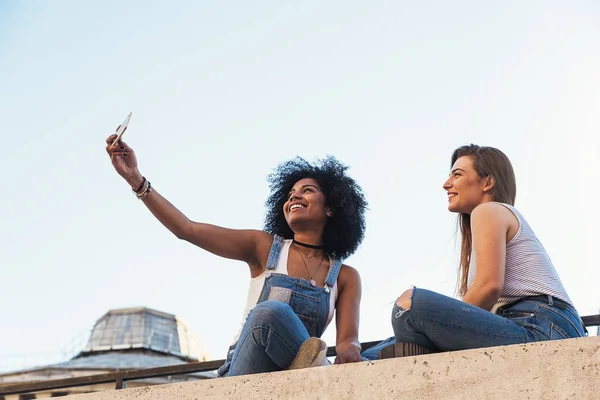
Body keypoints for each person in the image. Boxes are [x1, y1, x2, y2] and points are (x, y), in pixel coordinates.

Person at [105, 132, 367, 376]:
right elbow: (187, 229)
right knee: (270, 313)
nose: (294, 196)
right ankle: (318, 368)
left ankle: (312, 367)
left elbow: (347, 342)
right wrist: (135, 179)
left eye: (307, 190)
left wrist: (353, 349)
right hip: (248, 368)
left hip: (292, 375)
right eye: (290, 194)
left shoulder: (344, 277)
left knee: (382, 348)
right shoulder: (263, 247)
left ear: (332, 208)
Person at [362, 144, 586, 360]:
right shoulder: (489, 218)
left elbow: (489, 285)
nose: (446, 184)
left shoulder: (489, 210)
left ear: (487, 182)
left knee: (410, 307)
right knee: (373, 355)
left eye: (456, 175)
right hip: (534, 326)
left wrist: (440, 328)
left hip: (541, 327)